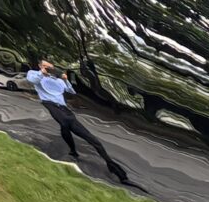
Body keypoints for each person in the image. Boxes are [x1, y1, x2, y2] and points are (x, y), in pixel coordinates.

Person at [24, 59, 134, 187]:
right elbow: (32, 81)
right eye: (44, 66)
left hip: (64, 109)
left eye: (49, 67)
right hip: (51, 105)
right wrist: (42, 73)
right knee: (64, 123)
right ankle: (72, 150)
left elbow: (71, 91)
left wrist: (65, 79)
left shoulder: (58, 80)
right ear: (40, 66)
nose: (47, 68)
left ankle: (114, 168)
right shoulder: (34, 73)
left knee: (91, 139)